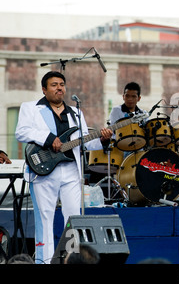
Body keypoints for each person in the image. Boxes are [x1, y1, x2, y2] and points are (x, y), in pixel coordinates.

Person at [15, 71, 112, 264]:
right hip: (43, 170)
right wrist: (50, 139)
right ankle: (44, 261)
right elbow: (22, 132)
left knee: (73, 219)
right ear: (44, 89)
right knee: (44, 219)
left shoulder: (75, 113)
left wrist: (103, 139)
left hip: (70, 171)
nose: (59, 88)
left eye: (62, 84)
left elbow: (84, 142)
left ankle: (72, 260)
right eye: (54, 85)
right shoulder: (30, 108)